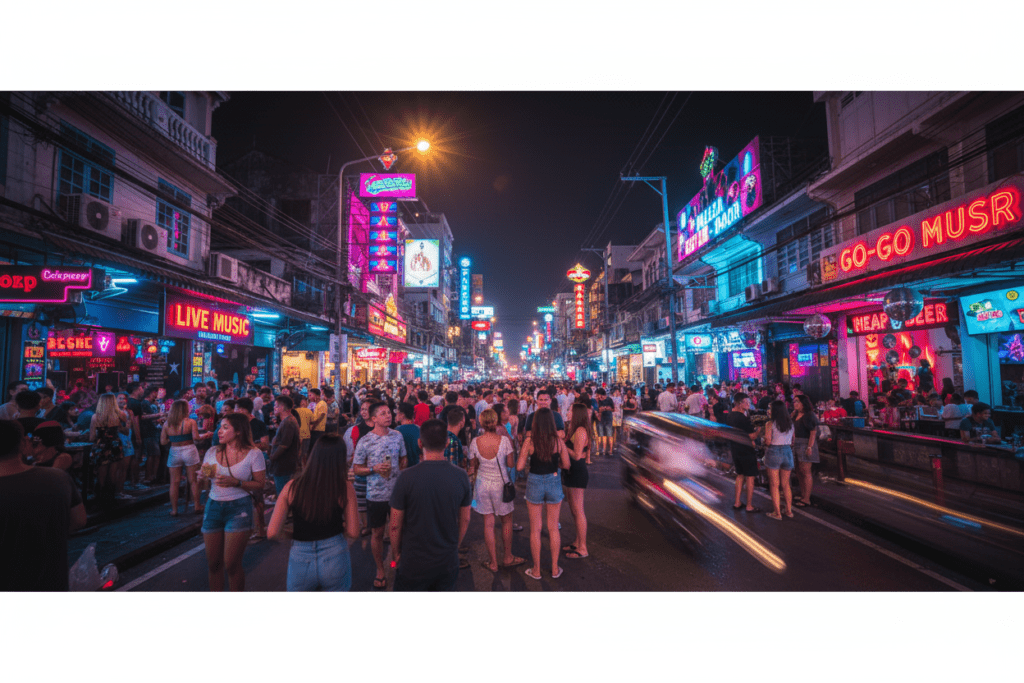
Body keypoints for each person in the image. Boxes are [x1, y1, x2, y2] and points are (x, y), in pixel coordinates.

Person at [0, 420, 86, 591]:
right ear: (23, 443)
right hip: (51, 582)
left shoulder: (59, 464)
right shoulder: (58, 478)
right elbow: (79, 520)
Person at [388, 419, 472, 591]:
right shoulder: (461, 476)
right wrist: (454, 546)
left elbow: (395, 524)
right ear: (447, 443)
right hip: (447, 560)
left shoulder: (406, 477)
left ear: (420, 443)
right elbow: (465, 519)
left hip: (413, 560)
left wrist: (396, 554)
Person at [268, 435, 360, 591]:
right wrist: (339, 528)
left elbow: (272, 533)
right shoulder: (345, 487)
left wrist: (293, 534)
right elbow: (353, 532)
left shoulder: (291, 487)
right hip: (334, 553)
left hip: (300, 556)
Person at [197, 413, 267, 591]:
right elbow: (206, 480)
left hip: (239, 508)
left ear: (238, 431)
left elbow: (260, 484)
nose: (219, 431)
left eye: (225, 427)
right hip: (213, 506)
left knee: (231, 564)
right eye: (220, 427)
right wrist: (201, 476)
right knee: (213, 564)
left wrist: (237, 482)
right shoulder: (212, 452)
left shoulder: (254, 454)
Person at [352, 401, 407, 590]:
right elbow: (356, 468)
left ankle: (396, 562)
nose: (388, 415)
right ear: (373, 418)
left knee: (398, 530)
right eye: (383, 413)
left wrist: (400, 469)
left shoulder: (397, 435)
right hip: (375, 494)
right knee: (377, 533)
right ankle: (380, 570)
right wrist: (373, 469)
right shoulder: (365, 440)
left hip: (397, 493)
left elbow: (403, 458)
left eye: (389, 412)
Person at [468, 409, 526, 572]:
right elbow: (510, 464)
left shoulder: (475, 442)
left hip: (482, 484)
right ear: (496, 422)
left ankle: (493, 562)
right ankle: (507, 557)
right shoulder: (504, 441)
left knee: (488, 524)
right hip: (501, 484)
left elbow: (473, 466)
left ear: (481, 422)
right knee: (506, 521)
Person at [517, 407, 571, 580]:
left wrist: (528, 461)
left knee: (535, 529)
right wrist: (557, 466)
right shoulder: (557, 441)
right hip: (554, 480)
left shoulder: (530, 441)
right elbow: (567, 464)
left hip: (534, 481)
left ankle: (536, 570)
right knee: (553, 527)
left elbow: (519, 466)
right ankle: (555, 568)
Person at [161, 400, 206, 516]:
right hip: (189, 449)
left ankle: (174, 510)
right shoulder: (191, 422)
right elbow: (196, 438)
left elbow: (163, 442)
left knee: (174, 482)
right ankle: (197, 506)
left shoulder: (167, 424)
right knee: (193, 480)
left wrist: (173, 438)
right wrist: (205, 435)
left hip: (174, 451)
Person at [561, 403, 590, 560]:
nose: (568, 412)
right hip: (571, 471)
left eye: (570, 410)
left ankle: (583, 547)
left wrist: (562, 446)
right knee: (574, 510)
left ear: (577, 413)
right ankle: (577, 542)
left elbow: (577, 455)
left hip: (578, 471)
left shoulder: (580, 431)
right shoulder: (574, 429)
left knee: (578, 511)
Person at [89, 393, 129, 506]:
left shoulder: (95, 417)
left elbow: (92, 437)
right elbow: (126, 431)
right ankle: (110, 498)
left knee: (101, 474)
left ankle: (100, 498)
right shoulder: (119, 415)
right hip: (115, 444)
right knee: (113, 473)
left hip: (101, 445)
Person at [725, 393, 761, 512]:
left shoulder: (730, 416)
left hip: (735, 449)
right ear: (740, 404)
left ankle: (737, 502)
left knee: (740, 475)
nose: (749, 405)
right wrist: (758, 430)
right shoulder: (742, 418)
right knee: (750, 477)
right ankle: (749, 506)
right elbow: (751, 436)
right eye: (747, 402)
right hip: (746, 450)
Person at [763, 400, 795, 520]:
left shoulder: (770, 424)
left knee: (774, 485)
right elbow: (793, 440)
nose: (768, 411)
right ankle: (789, 511)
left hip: (774, 451)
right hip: (787, 451)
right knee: (786, 484)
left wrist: (764, 441)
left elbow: (768, 441)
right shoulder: (790, 424)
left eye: (770, 408)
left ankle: (777, 513)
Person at [268, 395, 301, 496]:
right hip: (284, 465)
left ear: (282, 407)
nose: (274, 408)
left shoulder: (288, 422)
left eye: (275, 406)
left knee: (283, 495)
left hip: (283, 465)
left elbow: (284, 445)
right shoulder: (287, 421)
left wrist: (272, 457)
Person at [791, 394, 819, 508]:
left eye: (797, 401)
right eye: (794, 401)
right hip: (796, 443)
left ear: (803, 403)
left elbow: (813, 432)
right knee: (798, 471)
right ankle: (803, 494)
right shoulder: (795, 414)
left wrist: (809, 447)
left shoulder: (809, 415)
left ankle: (806, 499)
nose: (795, 403)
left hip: (805, 443)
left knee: (805, 471)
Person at [395, 402, 422, 467]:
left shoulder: (397, 431)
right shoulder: (419, 429)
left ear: (402, 415)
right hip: (418, 466)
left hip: (403, 468)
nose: (396, 415)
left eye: (397, 412)